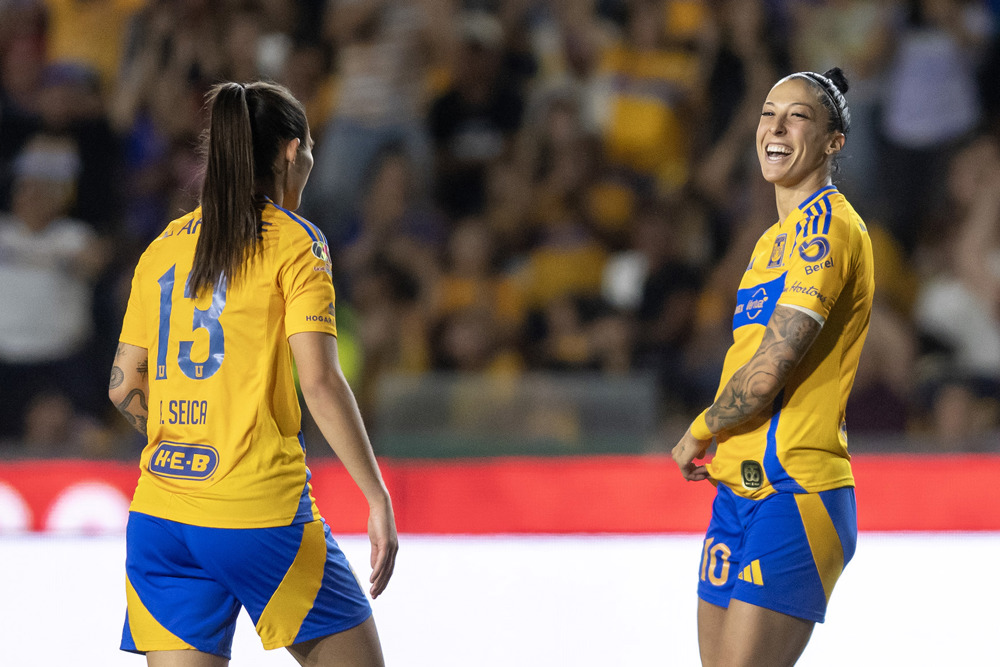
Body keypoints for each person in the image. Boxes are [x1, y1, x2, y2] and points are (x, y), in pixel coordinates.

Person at [109, 81, 397, 666]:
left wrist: (190, 440)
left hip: (162, 520)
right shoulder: (297, 244)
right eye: (311, 150)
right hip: (260, 517)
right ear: (293, 152)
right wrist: (377, 497)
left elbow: (121, 385)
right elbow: (319, 381)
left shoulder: (163, 246)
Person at [671, 67, 873, 666]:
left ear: (834, 142)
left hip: (797, 489)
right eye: (767, 112)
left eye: (798, 116)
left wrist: (700, 429)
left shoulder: (829, 228)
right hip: (737, 490)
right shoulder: (768, 243)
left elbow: (770, 370)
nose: (775, 127)